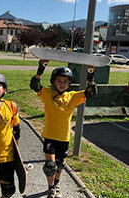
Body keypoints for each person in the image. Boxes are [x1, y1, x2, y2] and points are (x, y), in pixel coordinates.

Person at [29, 61, 98, 198]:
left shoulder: (72, 96)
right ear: (54, 82)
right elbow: (35, 86)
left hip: (64, 137)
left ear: (69, 83)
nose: (62, 83)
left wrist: (91, 76)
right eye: (59, 81)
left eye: (65, 81)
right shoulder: (47, 94)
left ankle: (56, 185)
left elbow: (90, 93)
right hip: (50, 136)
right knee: (50, 165)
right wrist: (41, 69)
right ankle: (50, 188)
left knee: (59, 165)